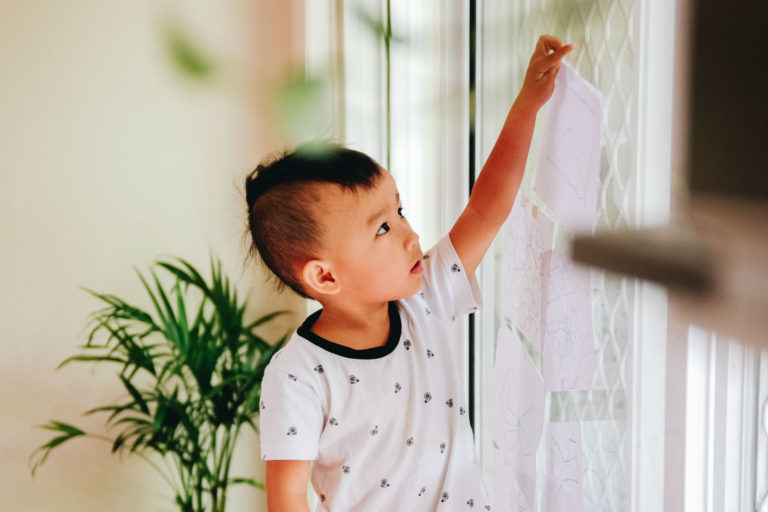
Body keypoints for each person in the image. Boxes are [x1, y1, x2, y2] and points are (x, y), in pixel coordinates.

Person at [244, 35, 572, 512]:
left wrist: (526, 107)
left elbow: (486, 209)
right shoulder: (297, 376)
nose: (410, 234)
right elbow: (288, 498)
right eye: (382, 228)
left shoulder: (426, 298)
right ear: (326, 277)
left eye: (400, 211)